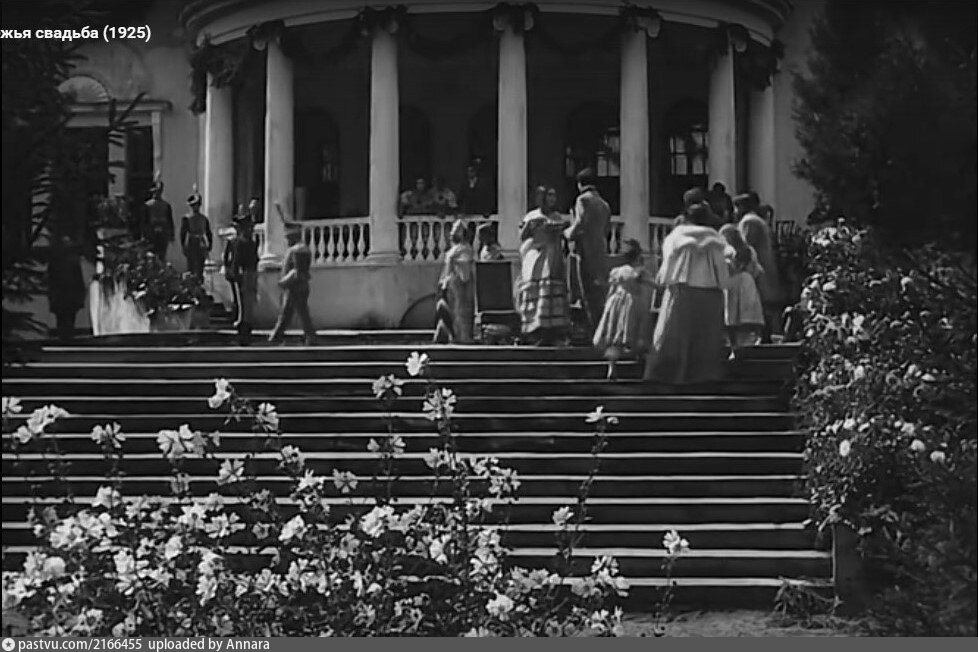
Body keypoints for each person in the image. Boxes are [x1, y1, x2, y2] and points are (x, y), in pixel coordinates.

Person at [643, 203, 730, 384]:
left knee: (674, 332)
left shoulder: (676, 237)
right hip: (709, 292)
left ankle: (668, 373)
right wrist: (724, 285)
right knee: (706, 335)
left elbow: (668, 261)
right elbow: (722, 268)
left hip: (682, 289)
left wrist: (664, 279)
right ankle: (704, 374)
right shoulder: (716, 240)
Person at [592, 238, 655, 381]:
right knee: (637, 331)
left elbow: (612, 289)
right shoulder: (640, 272)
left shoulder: (617, 271)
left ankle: (612, 366)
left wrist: (608, 304)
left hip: (616, 301)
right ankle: (640, 360)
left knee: (615, 334)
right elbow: (653, 284)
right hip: (633, 302)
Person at [518, 186, 571, 346]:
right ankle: (534, 329)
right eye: (549, 195)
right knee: (535, 291)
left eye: (554, 195)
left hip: (553, 257)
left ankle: (552, 330)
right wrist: (530, 226)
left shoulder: (557, 216)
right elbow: (523, 236)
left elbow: (565, 237)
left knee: (551, 292)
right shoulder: (532, 215)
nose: (552, 199)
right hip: (536, 257)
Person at [564, 168, 611, 334]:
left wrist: (567, 233)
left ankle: (592, 330)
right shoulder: (604, 204)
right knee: (600, 291)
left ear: (580, 184)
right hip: (600, 249)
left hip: (585, 250)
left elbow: (580, 223)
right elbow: (606, 228)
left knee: (586, 291)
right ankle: (601, 328)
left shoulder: (583, 200)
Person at [734, 193, 784, 341]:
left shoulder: (749, 222)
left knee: (764, 307)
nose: (734, 212)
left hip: (759, 271)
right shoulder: (756, 221)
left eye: (736, 207)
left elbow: (745, 247)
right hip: (764, 269)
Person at [719, 223, 765, 354]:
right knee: (748, 317)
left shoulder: (725, 252)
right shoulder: (749, 250)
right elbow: (757, 270)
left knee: (732, 318)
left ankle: (734, 348)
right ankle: (750, 344)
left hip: (732, 285)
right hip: (747, 282)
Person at [269, 225, 316, 346]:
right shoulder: (299, 249)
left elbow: (297, 271)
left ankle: (309, 336)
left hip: (295, 286)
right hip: (297, 286)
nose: (287, 240)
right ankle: (277, 336)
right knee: (288, 313)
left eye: (288, 237)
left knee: (300, 313)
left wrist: (284, 281)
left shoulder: (298, 250)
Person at [223, 211, 260, 345]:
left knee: (246, 304)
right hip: (244, 274)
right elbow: (235, 260)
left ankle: (245, 331)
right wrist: (233, 273)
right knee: (243, 305)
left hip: (248, 273)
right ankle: (243, 332)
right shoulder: (240, 242)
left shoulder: (249, 242)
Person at [436, 220, 475, 343]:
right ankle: (453, 335)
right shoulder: (454, 249)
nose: (452, 235)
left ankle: (463, 336)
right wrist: (443, 282)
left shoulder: (465, 249)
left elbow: (465, 269)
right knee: (451, 310)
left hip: (461, 284)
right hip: (451, 284)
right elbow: (446, 268)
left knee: (461, 311)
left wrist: (460, 278)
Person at [47, 235, 86, 341]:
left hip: (66, 297)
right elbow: (51, 281)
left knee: (65, 319)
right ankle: (66, 337)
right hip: (64, 297)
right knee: (66, 319)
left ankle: (65, 337)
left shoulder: (59, 262)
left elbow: (78, 281)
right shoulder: (61, 262)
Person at [181, 192, 213, 281]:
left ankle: (199, 280)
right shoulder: (187, 218)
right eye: (194, 205)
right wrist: (183, 245)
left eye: (197, 205)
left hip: (201, 242)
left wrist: (210, 244)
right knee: (191, 265)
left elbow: (208, 232)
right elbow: (183, 233)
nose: (196, 207)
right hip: (191, 242)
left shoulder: (204, 218)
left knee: (200, 265)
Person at [143, 181, 174, 259]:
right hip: (151, 233)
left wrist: (171, 235)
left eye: (159, 191)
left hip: (163, 233)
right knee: (151, 255)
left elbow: (170, 220)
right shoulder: (147, 205)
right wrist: (144, 235)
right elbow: (144, 221)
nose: (157, 193)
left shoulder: (166, 205)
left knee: (162, 255)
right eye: (156, 191)